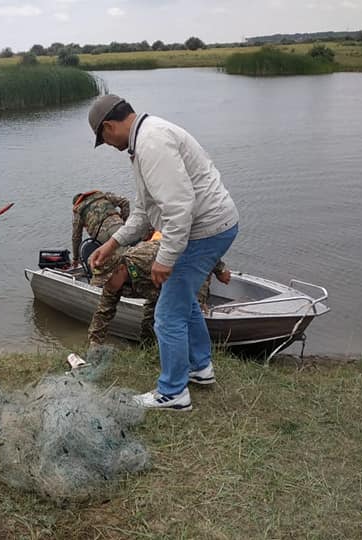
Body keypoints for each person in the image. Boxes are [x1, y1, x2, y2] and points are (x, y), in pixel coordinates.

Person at [87, 94, 239, 411]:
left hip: (205, 232)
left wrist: (164, 259)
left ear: (108, 127)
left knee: (167, 315)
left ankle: (172, 393)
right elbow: (143, 212)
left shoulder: (151, 143)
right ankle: (200, 367)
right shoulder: (144, 139)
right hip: (213, 227)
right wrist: (112, 243)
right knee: (182, 300)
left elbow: (179, 209)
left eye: (103, 138)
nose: (109, 145)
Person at [86, 239, 230, 349]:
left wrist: (220, 269)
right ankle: (150, 355)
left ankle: (196, 361)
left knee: (189, 315)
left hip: (189, 274)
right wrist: (95, 345)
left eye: (107, 280)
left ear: (121, 269)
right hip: (158, 290)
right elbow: (103, 313)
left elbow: (195, 249)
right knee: (149, 326)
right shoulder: (113, 285)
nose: (105, 286)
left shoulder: (148, 257)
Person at [70, 190, 129, 267]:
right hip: (118, 225)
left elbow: (76, 237)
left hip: (101, 235)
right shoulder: (103, 196)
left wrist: (75, 258)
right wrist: (124, 220)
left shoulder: (79, 211)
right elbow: (125, 202)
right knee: (127, 254)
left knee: (112, 260)